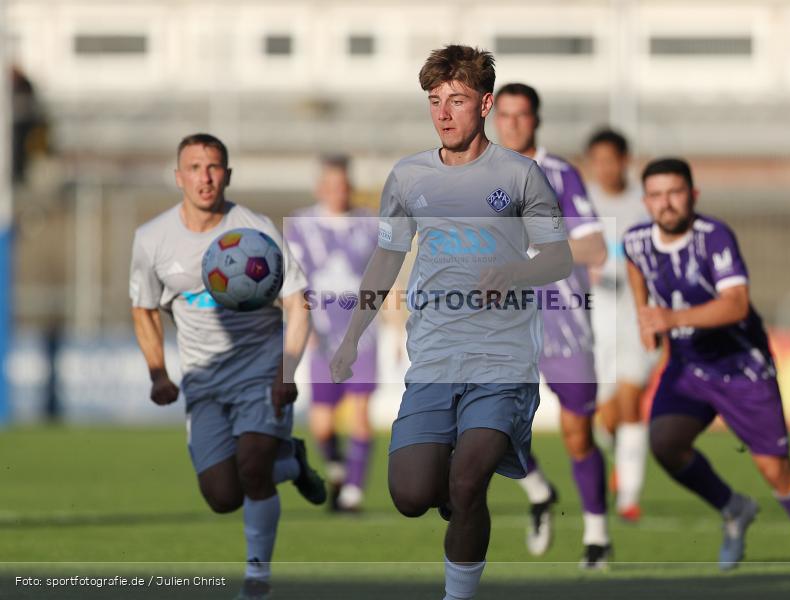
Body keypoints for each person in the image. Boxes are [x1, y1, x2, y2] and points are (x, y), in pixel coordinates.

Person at [330, 45, 572, 600]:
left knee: (468, 483)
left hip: (502, 361)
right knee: (413, 496)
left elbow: (558, 257)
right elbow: (386, 257)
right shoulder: (408, 176)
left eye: (457, 100)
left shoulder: (519, 175)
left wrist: (514, 269)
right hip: (434, 359)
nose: (443, 112)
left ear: (484, 104)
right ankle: (456, 503)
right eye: (435, 101)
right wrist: (351, 337)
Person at [130, 133, 326, 600]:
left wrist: (286, 371)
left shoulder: (254, 230)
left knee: (253, 466)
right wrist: (158, 372)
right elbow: (144, 308)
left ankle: (257, 579)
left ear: (228, 174)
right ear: (179, 177)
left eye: (214, 166)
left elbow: (299, 302)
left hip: (259, 373)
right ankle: (293, 462)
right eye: (195, 167)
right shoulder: (152, 238)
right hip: (203, 382)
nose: (205, 176)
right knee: (222, 496)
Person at [623, 157, 790, 583]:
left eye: (675, 192)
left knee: (775, 468)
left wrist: (670, 319)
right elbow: (636, 271)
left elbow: (736, 304)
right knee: (664, 442)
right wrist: (645, 319)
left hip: (740, 366)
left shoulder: (714, 236)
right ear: (645, 201)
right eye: (656, 195)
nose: (666, 203)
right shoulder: (636, 240)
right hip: (687, 366)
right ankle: (733, 508)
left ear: (693, 196)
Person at [493, 83, 612, 568]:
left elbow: (595, 248)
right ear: (492, 118)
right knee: (490, 426)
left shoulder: (560, 173)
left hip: (562, 320)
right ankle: (540, 492)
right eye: (505, 115)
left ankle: (597, 535)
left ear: (536, 121)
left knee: (577, 434)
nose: (513, 123)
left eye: (522, 115)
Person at [284, 156, 378, 512]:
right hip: (320, 333)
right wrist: (300, 320)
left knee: (361, 414)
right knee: (321, 422)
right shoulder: (302, 225)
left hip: (361, 335)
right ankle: (338, 469)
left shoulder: (369, 224)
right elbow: (291, 279)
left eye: (344, 185)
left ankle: (353, 493)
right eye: (332, 185)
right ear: (319, 188)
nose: (339, 192)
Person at [584, 127, 655, 522]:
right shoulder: (581, 203)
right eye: (598, 162)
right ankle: (612, 449)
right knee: (604, 413)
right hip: (595, 320)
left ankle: (629, 496)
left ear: (625, 161)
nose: (605, 168)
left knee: (631, 401)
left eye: (612, 160)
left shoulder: (644, 205)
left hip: (635, 315)